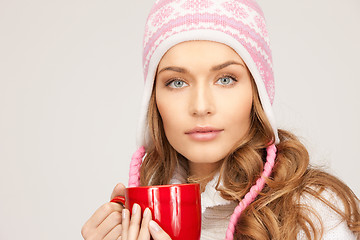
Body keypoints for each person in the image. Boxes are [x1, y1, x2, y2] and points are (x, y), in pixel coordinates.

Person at [81, 0, 360, 239]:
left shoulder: (313, 212)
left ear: (258, 91)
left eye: (225, 79)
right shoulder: (144, 217)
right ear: (153, 100)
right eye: (177, 82)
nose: (201, 107)